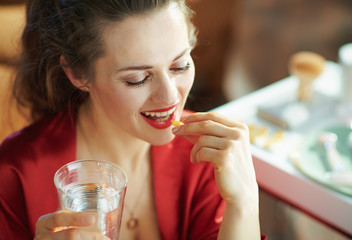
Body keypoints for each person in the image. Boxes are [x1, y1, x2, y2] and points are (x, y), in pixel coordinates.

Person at [0, 0, 266, 239]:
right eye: (137, 79)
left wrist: (244, 201)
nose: (169, 96)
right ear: (78, 74)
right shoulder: (15, 175)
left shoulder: (206, 154)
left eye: (180, 65)